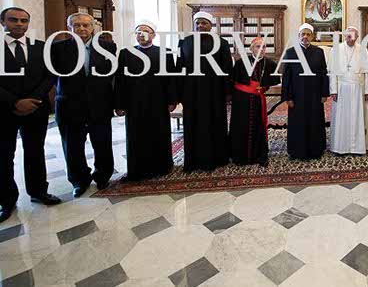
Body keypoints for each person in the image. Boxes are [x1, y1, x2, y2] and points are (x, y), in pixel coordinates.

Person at [0, 7, 61, 223]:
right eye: (13, 20)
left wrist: (33, 99)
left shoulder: (41, 47)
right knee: (4, 155)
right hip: (4, 110)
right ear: (3, 22)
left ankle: (38, 191)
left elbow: (50, 75)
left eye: (23, 20)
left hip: (36, 108)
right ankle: (6, 200)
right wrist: (15, 102)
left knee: (35, 150)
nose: (19, 24)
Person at [51, 13, 117, 197]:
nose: (81, 29)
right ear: (69, 28)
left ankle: (103, 176)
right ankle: (79, 181)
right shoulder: (57, 48)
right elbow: (52, 75)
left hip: (100, 104)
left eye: (85, 25)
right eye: (77, 25)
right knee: (72, 146)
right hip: (69, 104)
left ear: (92, 27)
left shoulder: (108, 47)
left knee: (102, 142)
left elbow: (111, 74)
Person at [114, 21, 177, 180]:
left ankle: (162, 167)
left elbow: (171, 79)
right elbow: (120, 80)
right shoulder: (125, 54)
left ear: (153, 35)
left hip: (158, 102)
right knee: (136, 136)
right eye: (138, 32)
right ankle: (137, 169)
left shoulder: (165, 52)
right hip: (134, 103)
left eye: (146, 31)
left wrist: (172, 100)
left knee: (159, 134)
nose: (141, 34)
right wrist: (119, 104)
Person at [177, 12, 233, 172]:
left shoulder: (222, 43)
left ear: (211, 25)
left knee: (215, 124)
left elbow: (227, 69)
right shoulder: (184, 42)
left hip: (214, 92)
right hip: (191, 93)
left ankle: (217, 159)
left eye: (204, 23)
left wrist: (228, 92)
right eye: (198, 23)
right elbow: (179, 68)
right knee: (192, 126)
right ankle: (193, 161)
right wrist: (179, 93)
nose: (200, 26)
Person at [281, 23, 329, 160]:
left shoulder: (319, 52)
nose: (305, 37)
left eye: (308, 34)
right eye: (303, 34)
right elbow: (286, 76)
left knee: (315, 121)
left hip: (315, 95)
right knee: (298, 123)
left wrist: (324, 93)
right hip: (297, 96)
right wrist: (288, 97)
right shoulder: (290, 52)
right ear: (299, 36)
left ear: (312, 37)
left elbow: (324, 73)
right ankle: (296, 151)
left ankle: (316, 150)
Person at [230, 37, 280, 166]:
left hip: (258, 100)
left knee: (258, 126)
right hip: (242, 101)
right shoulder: (241, 63)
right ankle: (240, 156)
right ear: (251, 48)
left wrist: (261, 88)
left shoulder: (270, 64)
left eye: (264, 47)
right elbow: (233, 82)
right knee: (241, 126)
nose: (261, 49)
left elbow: (273, 81)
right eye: (258, 47)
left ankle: (259, 155)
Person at [329, 27, 368, 155]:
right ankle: (340, 147)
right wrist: (333, 90)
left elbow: (367, 72)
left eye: (354, 37)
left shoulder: (363, 49)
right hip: (342, 88)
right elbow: (332, 72)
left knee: (358, 117)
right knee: (342, 118)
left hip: (358, 89)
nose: (351, 39)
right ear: (344, 36)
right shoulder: (336, 50)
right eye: (349, 36)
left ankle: (358, 147)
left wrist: (367, 89)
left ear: (357, 37)